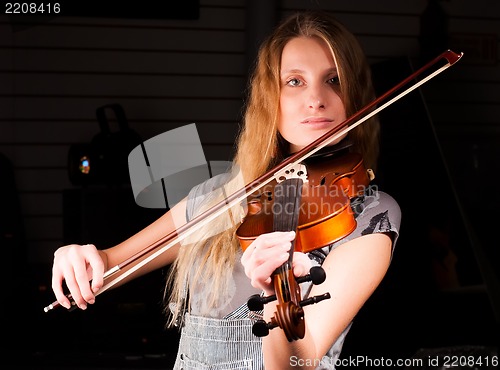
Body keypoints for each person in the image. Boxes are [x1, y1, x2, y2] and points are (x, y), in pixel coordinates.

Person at [50, 10, 401, 370]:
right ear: (270, 100)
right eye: (294, 81)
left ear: (355, 94)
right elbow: (110, 265)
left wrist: (275, 296)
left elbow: (301, 361)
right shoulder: (223, 193)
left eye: (334, 79)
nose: (316, 99)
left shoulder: (369, 215)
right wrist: (80, 257)